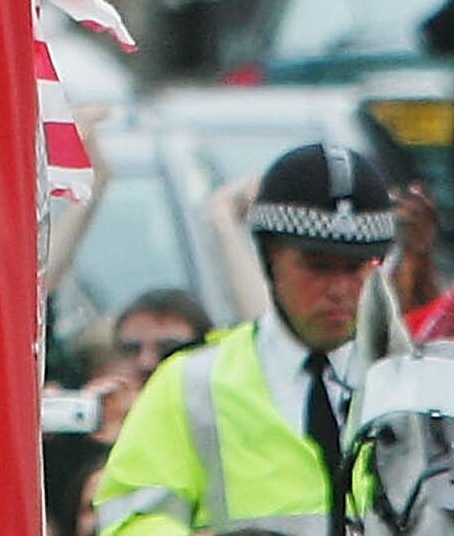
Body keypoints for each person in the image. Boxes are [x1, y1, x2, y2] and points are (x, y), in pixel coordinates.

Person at [99, 144, 400, 536]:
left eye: (358, 268)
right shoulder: (191, 385)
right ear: (270, 258)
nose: (340, 289)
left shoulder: (406, 385)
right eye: (318, 267)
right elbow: (128, 520)